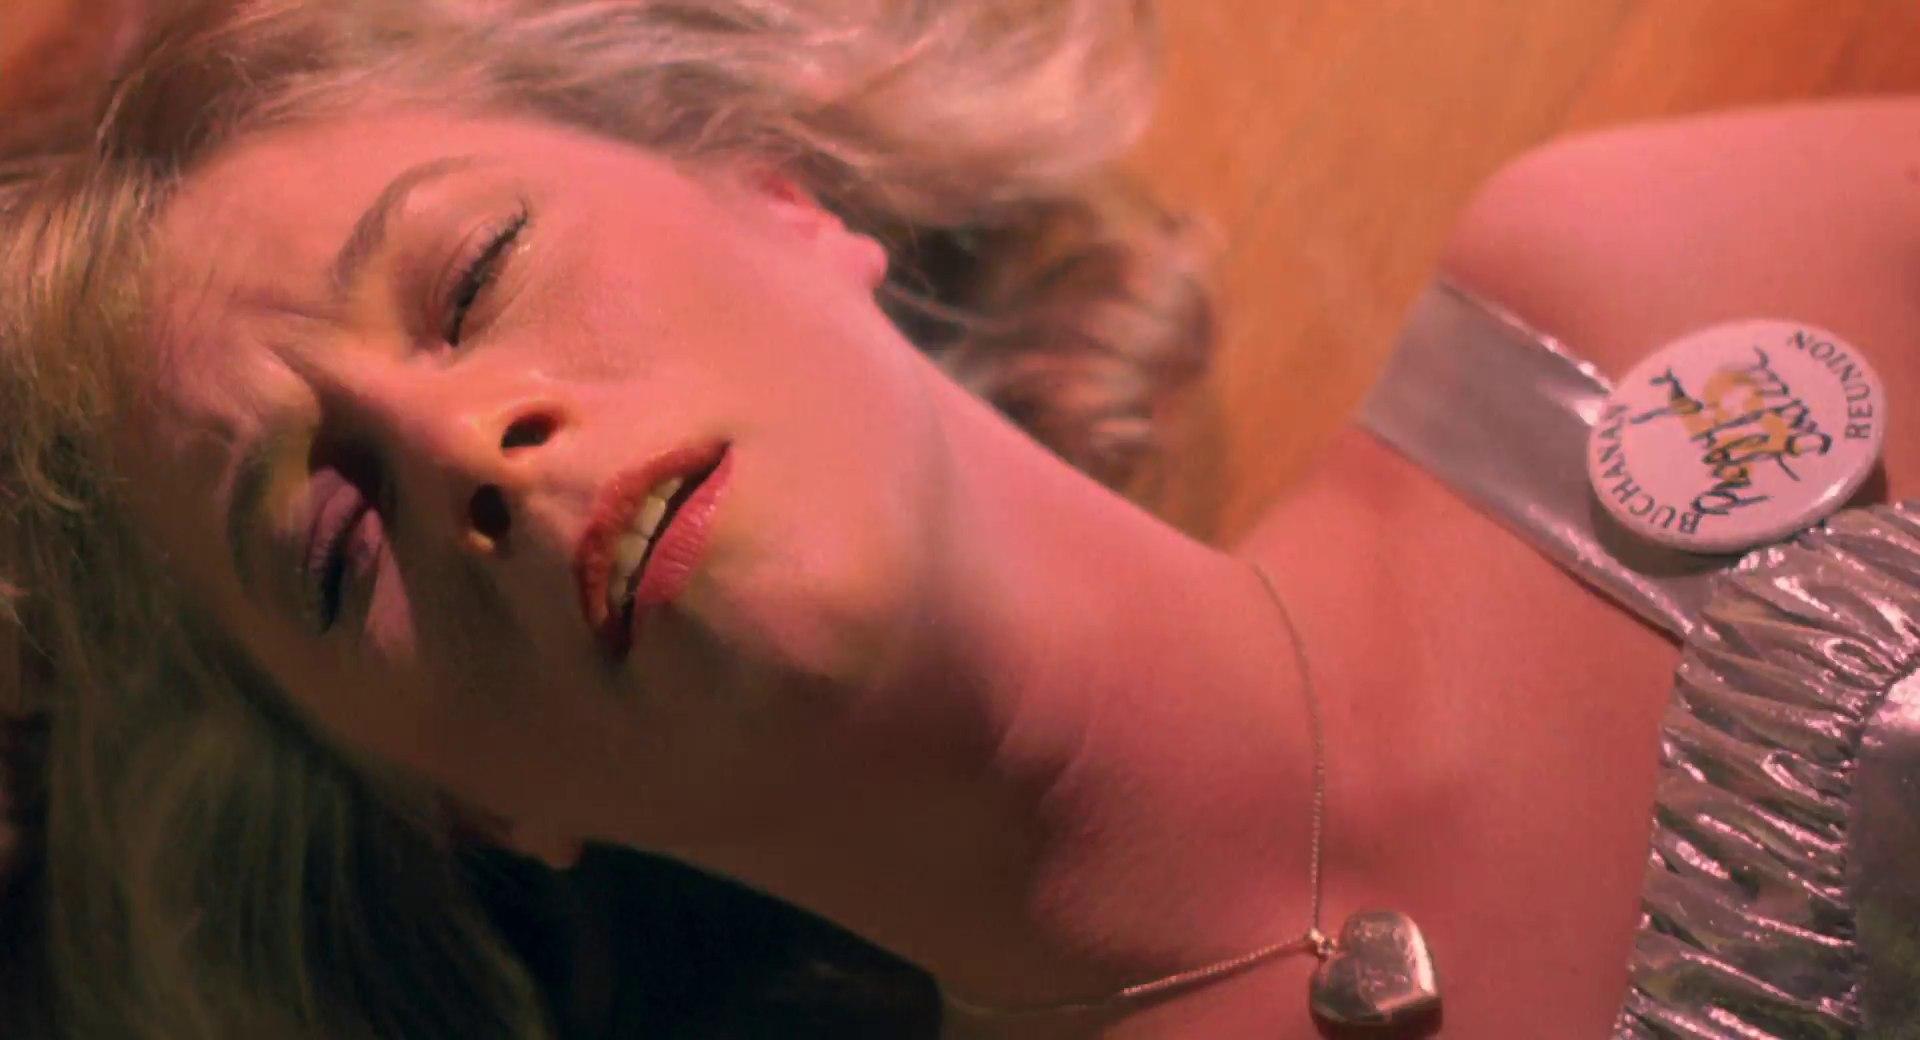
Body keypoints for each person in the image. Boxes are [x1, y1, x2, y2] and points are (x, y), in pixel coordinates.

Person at [3, 2, 1917, 1039]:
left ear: (781, 199)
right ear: (474, 810)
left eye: (473, 274)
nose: (463, 450)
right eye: (334, 551)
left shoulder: (1635, 297)